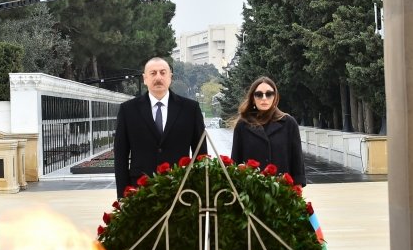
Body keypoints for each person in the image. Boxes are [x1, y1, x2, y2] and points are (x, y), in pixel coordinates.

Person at [113, 57, 207, 196]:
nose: (158, 77)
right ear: (145, 78)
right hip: (141, 190)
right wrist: (123, 195)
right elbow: (120, 155)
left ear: (170, 77)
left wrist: (199, 190)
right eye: (153, 73)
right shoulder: (128, 110)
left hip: (181, 190)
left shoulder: (190, 109)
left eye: (163, 73)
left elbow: (201, 154)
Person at [230, 76, 306, 186]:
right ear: (253, 97)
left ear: (275, 97)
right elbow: (236, 159)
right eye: (259, 94)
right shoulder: (243, 125)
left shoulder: (288, 123)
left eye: (269, 94)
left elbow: (297, 159)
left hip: (282, 191)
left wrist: (297, 187)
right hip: (252, 191)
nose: (264, 98)